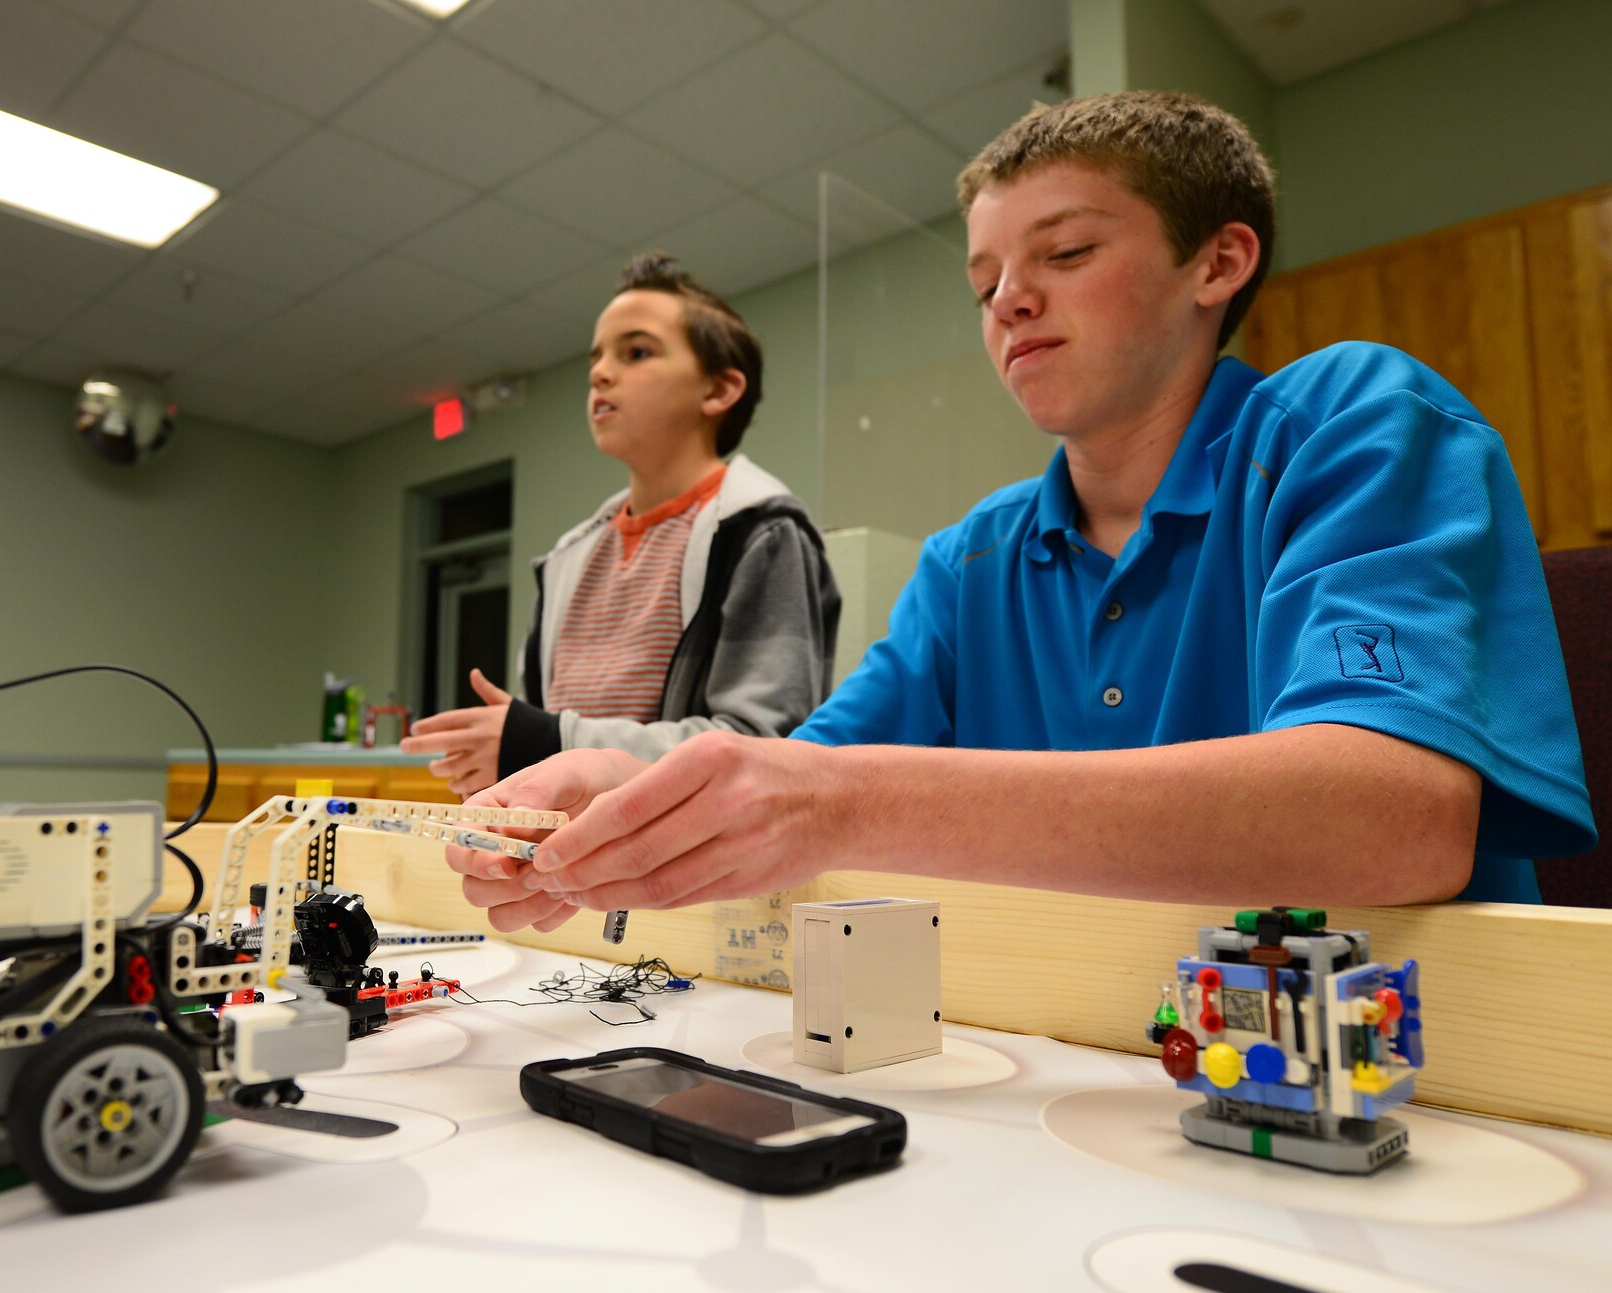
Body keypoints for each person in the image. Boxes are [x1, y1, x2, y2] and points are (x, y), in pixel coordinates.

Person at [443, 91, 1596, 934]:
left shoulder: (1350, 419)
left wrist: (824, 803)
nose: (1009, 300)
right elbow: (801, 771)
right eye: (982, 278)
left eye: (1066, 250)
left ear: (1217, 262)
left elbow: (1393, 818)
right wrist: (623, 799)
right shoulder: (972, 558)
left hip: (1423, 1072)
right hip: (1080, 1056)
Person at [401, 254, 840, 799]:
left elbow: (762, 750)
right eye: (597, 358)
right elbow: (543, 745)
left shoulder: (762, 534)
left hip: (694, 879)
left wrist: (545, 741)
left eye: (636, 352)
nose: (600, 373)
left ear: (719, 390)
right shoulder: (567, 559)